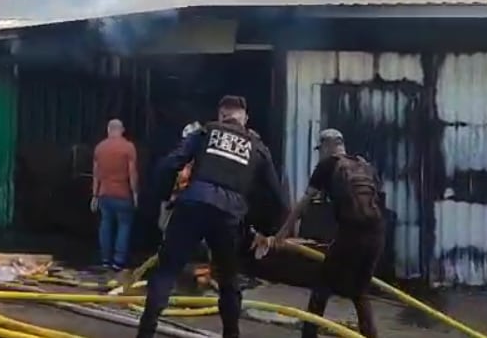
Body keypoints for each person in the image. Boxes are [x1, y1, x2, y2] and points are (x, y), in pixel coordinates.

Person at [136, 95, 287, 338]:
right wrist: (265, 230)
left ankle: (145, 333)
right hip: (229, 215)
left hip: (193, 204)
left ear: (221, 115)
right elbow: (277, 197)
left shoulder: (206, 132)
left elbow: (168, 164)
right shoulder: (258, 147)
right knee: (228, 281)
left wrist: (166, 195)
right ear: (245, 119)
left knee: (166, 271)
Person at [275, 129, 385, 338]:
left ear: (327, 146)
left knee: (321, 287)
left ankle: (309, 335)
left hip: (351, 234)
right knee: (360, 293)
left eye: (321, 149)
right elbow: (377, 199)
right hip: (377, 234)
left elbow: (304, 204)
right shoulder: (365, 165)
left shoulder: (327, 165)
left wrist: (284, 231)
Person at [91, 118, 139, 270]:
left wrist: (95, 196)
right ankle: (118, 262)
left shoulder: (99, 148)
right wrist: (135, 193)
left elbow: (96, 174)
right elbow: (132, 173)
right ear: (122, 130)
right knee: (124, 226)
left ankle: (105, 259)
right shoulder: (128, 147)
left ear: (108, 130)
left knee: (105, 225)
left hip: (104, 193)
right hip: (123, 194)